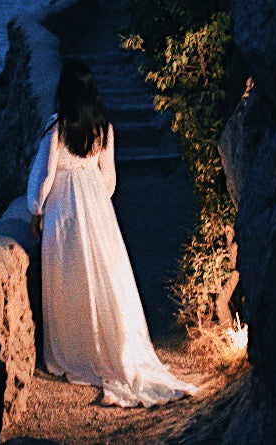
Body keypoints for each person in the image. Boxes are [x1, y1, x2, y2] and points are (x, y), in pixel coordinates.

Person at [26, 60, 198, 407]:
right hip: (96, 209)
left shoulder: (57, 128)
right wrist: (95, 203)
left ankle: (77, 348)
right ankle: (112, 344)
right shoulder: (104, 128)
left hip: (64, 210)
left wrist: (35, 209)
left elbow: (44, 177)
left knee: (71, 276)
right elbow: (110, 180)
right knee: (105, 275)